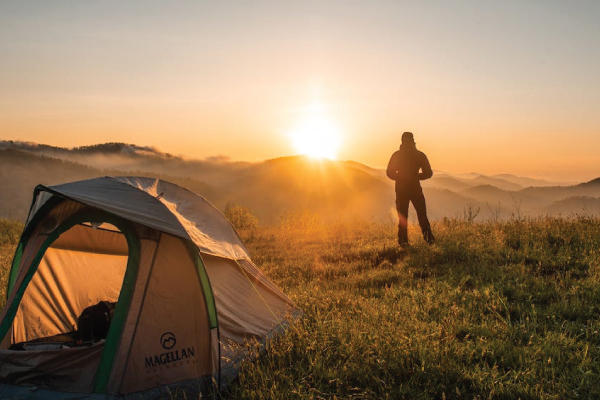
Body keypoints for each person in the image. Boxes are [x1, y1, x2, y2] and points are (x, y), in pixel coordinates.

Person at [386, 131, 435, 246]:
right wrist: (416, 176)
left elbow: (389, 172)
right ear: (413, 141)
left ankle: (403, 243)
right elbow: (428, 173)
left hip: (401, 189)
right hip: (415, 189)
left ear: (402, 141)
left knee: (402, 217)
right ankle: (429, 240)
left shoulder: (397, 155)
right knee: (422, 215)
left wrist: (399, 177)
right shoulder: (419, 155)